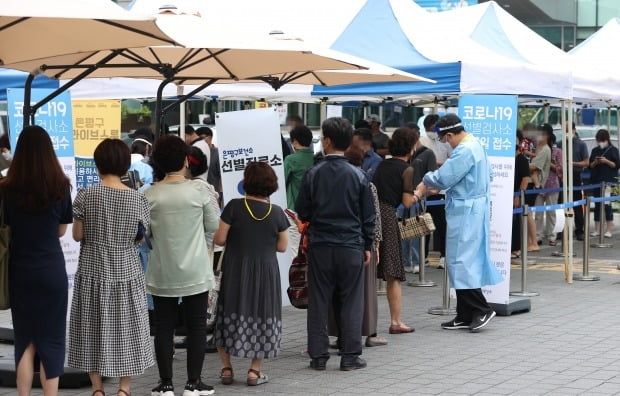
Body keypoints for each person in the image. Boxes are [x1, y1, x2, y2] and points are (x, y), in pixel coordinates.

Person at [69, 139, 154, 396]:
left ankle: (97, 389)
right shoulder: (138, 199)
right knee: (127, 328)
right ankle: (124, 388)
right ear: (125, 165)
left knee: (91, 327)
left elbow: (77, 235)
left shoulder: (86, 194)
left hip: (93, 270)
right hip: (127, 271)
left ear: (98, 164)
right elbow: (140, 237)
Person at [296, 117, 374, 372]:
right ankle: (350, 356)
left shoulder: (313, 173)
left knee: (319, 300)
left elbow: (303, 211)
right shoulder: (359, 175)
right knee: (352, 300)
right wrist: (368, 245)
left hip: (321, 245)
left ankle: (318, 356)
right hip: (352, 244)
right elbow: (368, 216)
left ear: (327, 141)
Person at [145, 135, 220, 396]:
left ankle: (165, 384)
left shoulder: (149, 194)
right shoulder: (198, 190)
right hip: (196, 268)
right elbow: (213, 226)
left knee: (164, 326)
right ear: (186, 160)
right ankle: (193, 383)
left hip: (162, 268)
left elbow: (144, 233)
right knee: (197, 325)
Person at [0, 126, 72, 396]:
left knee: (25, 340)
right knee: (51, 340)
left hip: (19, 271)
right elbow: (62, 230)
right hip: (51, 269)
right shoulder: (60, 185)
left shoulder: (6, 188)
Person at [416, 114, 502, 333]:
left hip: (466, 210)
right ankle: (465, 313)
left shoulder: (464, 150)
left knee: (462, 261)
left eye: (446, 140)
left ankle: (481, 308)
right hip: (472, 207)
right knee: (462, 260)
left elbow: (444, 176)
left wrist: (426, 182)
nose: (447, 145)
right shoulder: (476, 144)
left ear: (450, 134)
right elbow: (484, 175)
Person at [213, 162, 289, 386]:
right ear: (271, 185)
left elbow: (219, 239)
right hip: (266, 271)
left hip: (236, 268)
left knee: (226, 313)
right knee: (263, 316)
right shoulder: (276, 212)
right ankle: (254, 372)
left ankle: (226, 369)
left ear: (246, 182)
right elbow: (283, 247)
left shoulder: (234, 207)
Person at [331, 146, 387, 348]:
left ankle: (340, 335)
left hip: (338, 242)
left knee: (340, 292)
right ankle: (370, 333)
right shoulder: (367, 184)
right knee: (367, 291)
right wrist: (376, 244)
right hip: (364, 243)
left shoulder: (336, 183)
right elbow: (375, 217)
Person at [372, 128, 416, 334]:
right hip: (388, 217)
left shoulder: (382, 165)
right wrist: (420, 193)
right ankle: (396, 322)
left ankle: (367, 323)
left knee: (370, 270)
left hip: (371, 215)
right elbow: (407, 203)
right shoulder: (406, 169)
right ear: (411, 147)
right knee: (393, 273)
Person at [419, 114, 450, 269]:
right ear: (427, 127)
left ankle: (444, 256)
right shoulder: (422, 141)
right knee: (424, 225)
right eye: (433, 128)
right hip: (425, 189)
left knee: (442, 225)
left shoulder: (445, 141)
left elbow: (451, 160)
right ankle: (422, 256)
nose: (436, 131)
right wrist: (438, 164)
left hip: (441, 190)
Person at [407, 126, 438, 273]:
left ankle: (418, 261)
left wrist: (423, 192)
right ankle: (407, 261)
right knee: (404, 230)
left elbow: (431, 177)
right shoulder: (407, 153)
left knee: (417, 231)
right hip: (405, 197)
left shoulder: (427, 154)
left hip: (420, 198)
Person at [559, 122, 589, 241]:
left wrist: (573, 163)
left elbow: (586, 162)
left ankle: (579, 230)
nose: (566, 132)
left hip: (575, 174)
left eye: (568, 129)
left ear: (574, 130)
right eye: (564, 129)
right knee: (561, 203)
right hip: (562, 175)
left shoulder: (581, 144)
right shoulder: (560, 144)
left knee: (577, 204)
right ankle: (561, 230)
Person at [589, 129, 620, 237]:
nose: (600, 142)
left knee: (607, 205)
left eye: (602, 140)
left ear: (607, 139)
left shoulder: (613, 150)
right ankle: (597, 229)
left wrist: (606, 161)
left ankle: (609, 229)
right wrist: (596, 162)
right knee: (597, 205)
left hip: (609, 182)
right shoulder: (594, 150)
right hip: (597, 181)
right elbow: (590, 166)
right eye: (598, 140)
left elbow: (616, 165)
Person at [536, 125, 562, 246]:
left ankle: (552, 236)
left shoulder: (557, 151)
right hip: (539, 184)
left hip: (552, 184)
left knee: (551, 212)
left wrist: (549, 164)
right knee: (538, 212)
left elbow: (560, 169)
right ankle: (537, 235)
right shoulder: (538, 149)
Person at [529, 125, 551, 251]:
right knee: (529, 214)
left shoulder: (545, 150)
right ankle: (531, 241)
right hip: (533, 183)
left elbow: (534, 168)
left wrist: (518, 165)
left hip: (534, 184)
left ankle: (534, 242)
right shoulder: (538, 147)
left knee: (528, 214)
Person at [284, 125, 314, 209]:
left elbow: (282, 181)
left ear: (295, 142)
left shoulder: (290, 159)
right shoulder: (317, 159)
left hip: (295, 208)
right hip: (313, 208)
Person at [512, 132, 532, 259]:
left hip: (516, 194)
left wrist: (519, 195)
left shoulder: (522, 160)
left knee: (516, 222)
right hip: (505, 195)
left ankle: (516, 248)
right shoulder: (508, 159)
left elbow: (525, 178)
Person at [196, 126, 221, 197]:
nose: (199, 141)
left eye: (201, 138)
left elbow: (221, 177)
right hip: (199, 194)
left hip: (214, 195)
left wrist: (221, 195)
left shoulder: (218, 154)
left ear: (209, 138)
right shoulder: (197, 153)